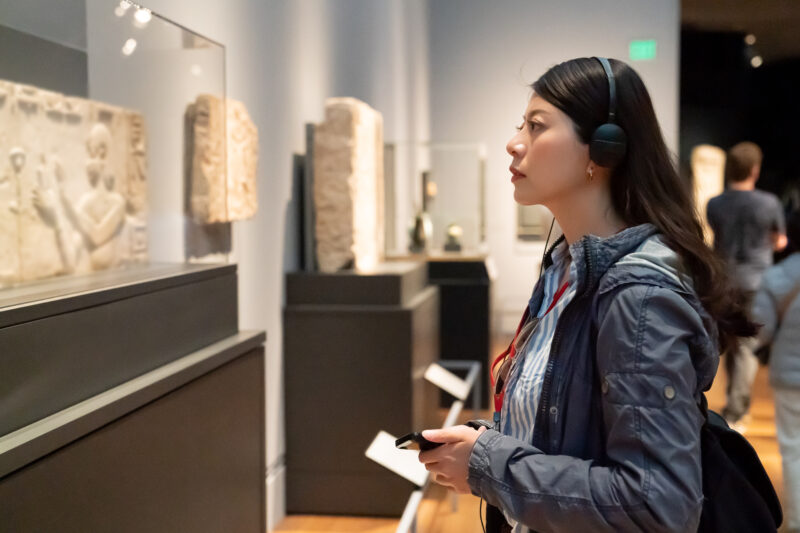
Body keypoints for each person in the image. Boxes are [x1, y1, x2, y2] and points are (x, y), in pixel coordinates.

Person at [416, 57, 756, 532]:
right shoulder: (566, 269)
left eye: (537, 126)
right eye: (521, 125)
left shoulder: (638, 297)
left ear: (603, 149)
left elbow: (657, 505)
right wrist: (491, 442)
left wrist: (491, 464)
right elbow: (572, 428)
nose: (514, 143)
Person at [706, 141, 787, 426]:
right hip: (758, 281)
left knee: (731, 342)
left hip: (725, 279)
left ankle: (735, 402)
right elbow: (780, 241)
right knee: (747, 345)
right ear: (755, 170)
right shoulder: (769, 203)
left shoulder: (714, 204)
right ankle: (737, 409)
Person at [751, 211, 800, 533]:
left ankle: (796, 520)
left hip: (790, 374)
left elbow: (763, 329)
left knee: (793, 449)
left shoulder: (777, 276)